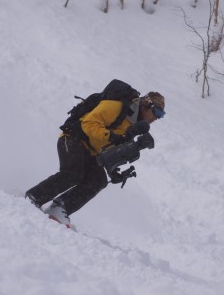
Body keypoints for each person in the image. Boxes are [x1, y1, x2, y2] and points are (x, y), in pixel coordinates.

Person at [25, 91, 165, 226]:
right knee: (73, 173)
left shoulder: (132, 124)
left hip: (90, 151)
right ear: (146, 106)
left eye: (161, 115)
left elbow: (110, 149)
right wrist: (112, 136)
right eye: (157, 112)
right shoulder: (118, 107)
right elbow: (88, 123)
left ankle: (59, 208)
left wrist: (113, 170)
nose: (157, 118)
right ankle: (34, 197)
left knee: (99, 180)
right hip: (72, 138)